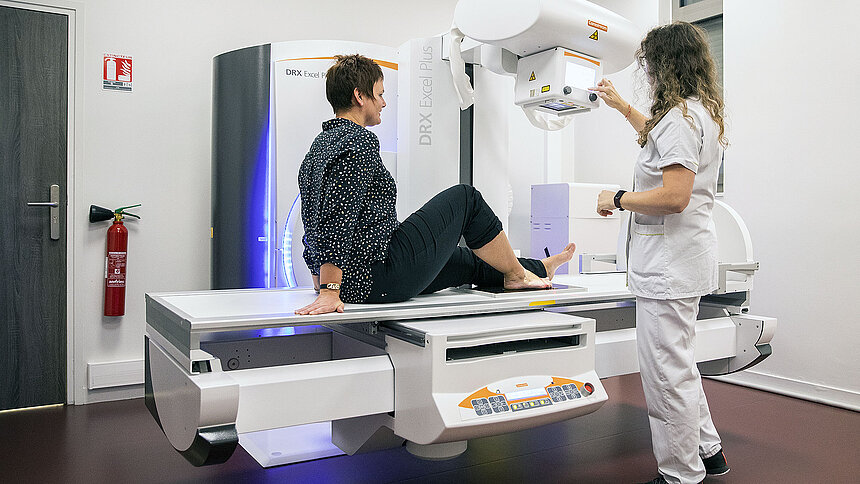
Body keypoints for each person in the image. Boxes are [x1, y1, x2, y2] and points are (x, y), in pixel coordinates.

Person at [296, 54, 575, 315]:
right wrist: (330, 291)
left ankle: (538, 269)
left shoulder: (316, 149)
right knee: (466, 199)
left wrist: (320, 279)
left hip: (357, 280)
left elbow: (312, 222)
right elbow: (338, 219)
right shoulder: (358, 141)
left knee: (461, 262)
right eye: (380, 94)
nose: (384, 102)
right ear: (360, 96)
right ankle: (516, 276)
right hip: (378, 276)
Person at [592, 22, 731, 484]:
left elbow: (674, 195)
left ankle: (680, 474)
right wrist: (621, 107)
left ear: (665, 65)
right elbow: (657, 140)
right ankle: (709, 452)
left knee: (665, 376)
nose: (647, 73)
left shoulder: (678, 120)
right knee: (680, 365)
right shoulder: (695, 114)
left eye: (650, 64)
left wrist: (618, 198)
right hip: (682, 259)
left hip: (669, 266)